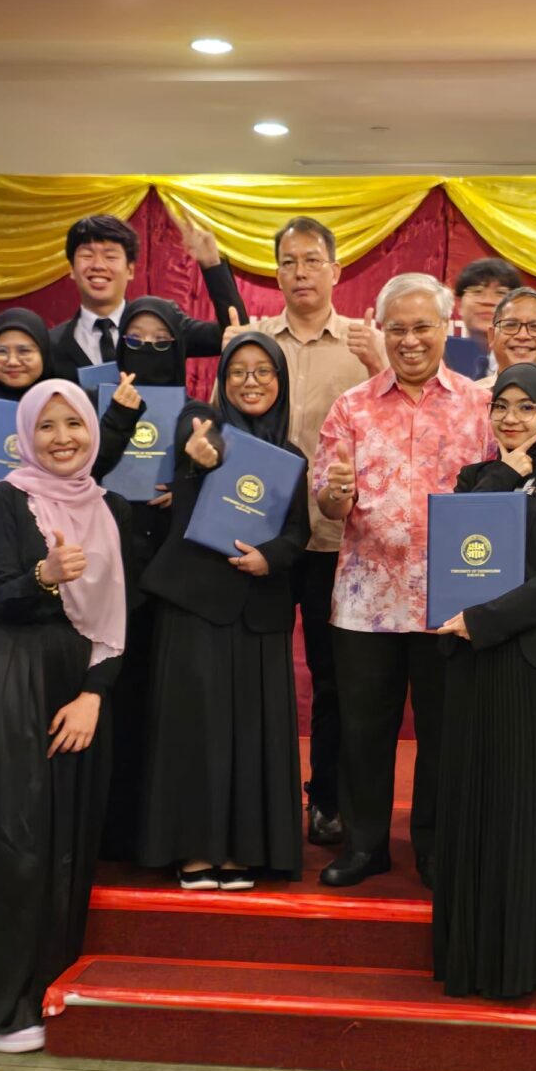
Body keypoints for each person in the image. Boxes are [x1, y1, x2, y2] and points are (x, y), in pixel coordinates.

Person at [0, 379, 137, 1053]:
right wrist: (45, 576)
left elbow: (120, 617)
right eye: (46, 426)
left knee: (62, 841)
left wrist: (94, 694)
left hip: (75, 684)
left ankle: (42, 988)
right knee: (12, 838)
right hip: (10, 678)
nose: (61, 438)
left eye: (73, 424)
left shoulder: (108, 508)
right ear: (26, 434)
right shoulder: (5, 497)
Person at [314, 273, 493, 888]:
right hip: (367, 599)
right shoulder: (351, 406)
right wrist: (336, 495)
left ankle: (437, 846)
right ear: (380, 331)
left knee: (444, 733)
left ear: (447, 329)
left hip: (452, 599)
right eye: (398, 329)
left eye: (422, 328)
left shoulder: (480, 406)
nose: (410, 341)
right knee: (364, 730)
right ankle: (364, 846)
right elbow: (328, 504)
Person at [432, 363, 536, 999]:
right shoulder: (475, 477)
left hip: (534, 666)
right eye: (501, 405)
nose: (511, 418)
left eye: (528, 407)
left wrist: (485, 620)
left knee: (528, 812)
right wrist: (505, 477)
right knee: (475, 806)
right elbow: (458, 549)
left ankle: (525, 959)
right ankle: (471, 954)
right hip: (473, 665)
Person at [220, 216, 375, 846]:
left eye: (312, 260)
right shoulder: (254, 343)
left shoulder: (362, 345)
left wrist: (381, 362)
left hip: (335, 542)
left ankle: (326, 799)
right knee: (254, 668)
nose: (300, 272)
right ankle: (256, 798)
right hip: (255, 538)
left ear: (335, 270)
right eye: (288, 262)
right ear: (276, 272)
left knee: (333, 679)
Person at [137, 333, 310, 888]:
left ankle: (241, 851)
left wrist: (270, 558)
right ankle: (193, 850)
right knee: (196, 731)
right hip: (195, 608)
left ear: (280, 382)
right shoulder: (198, 430)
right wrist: (194, 463)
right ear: (222, 380)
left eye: (263, 371)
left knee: (251, 736)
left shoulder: (293, 457)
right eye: (238, 371)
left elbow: (299, 533)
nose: (250, 381)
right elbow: (178, 503)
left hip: (259, 613)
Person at [47, 212, 247, 380]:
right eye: (87, 255)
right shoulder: (50, 345)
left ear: (130, 270)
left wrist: (212, 265)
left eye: (110, 256)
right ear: (71, 269)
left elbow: (236, 332)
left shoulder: (164, 325)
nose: (98, 265)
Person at [452, 258, 522, 378]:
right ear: (459, 305)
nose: (488, 301)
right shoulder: (440, 359)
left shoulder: (528, 364)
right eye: (477, 291)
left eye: (501, 293)